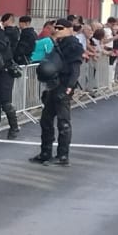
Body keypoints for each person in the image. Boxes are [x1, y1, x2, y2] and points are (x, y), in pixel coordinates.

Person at [32, 18, 85, 166]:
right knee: (46, 120)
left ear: (69, 29)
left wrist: (70, 86)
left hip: (64, 86)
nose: (57, 30)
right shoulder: (58, 43)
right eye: (56, 28)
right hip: (53, 85)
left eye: (60, 28)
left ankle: (62, 156)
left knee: (63, 122)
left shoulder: (74, 45)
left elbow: (75, 68)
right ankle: (45, 152)